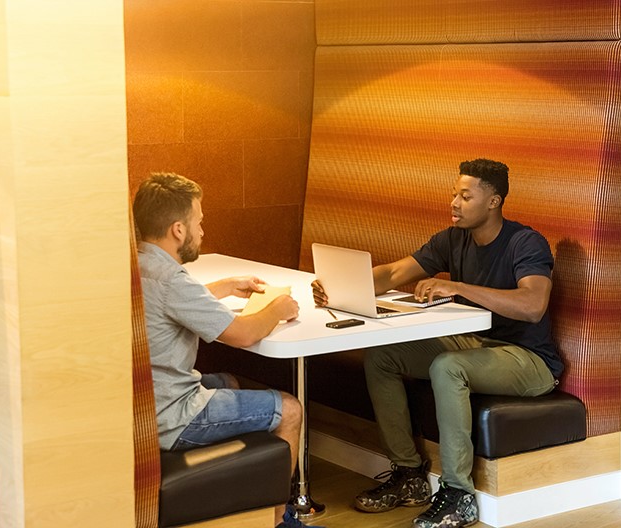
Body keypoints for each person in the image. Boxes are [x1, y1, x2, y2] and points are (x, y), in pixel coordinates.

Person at [312, 159, 563, 528]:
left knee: (447, 367)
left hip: (527, 359)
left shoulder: (525, 242)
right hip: (474, 342)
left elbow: (532, 305)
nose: (454, 203)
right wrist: (340, 285)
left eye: (465, 196)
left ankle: (459, 495)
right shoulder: (453, 239)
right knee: (384, 356)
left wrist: (458, 287)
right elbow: (396, 272)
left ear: (493, 202)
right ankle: (410, 475)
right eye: (454, 193)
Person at [133, 172, 323, 528]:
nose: (202, 231)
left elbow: (173, 301)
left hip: (143, 405)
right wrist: (278, 308)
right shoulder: (172, 279)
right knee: (289, 409)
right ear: (178, 229)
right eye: (198, 223)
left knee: (229, 381)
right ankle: (282, 520)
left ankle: (244, 499)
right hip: (172, 415)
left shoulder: (137, 264)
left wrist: (225, 286)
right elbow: (243, 334)